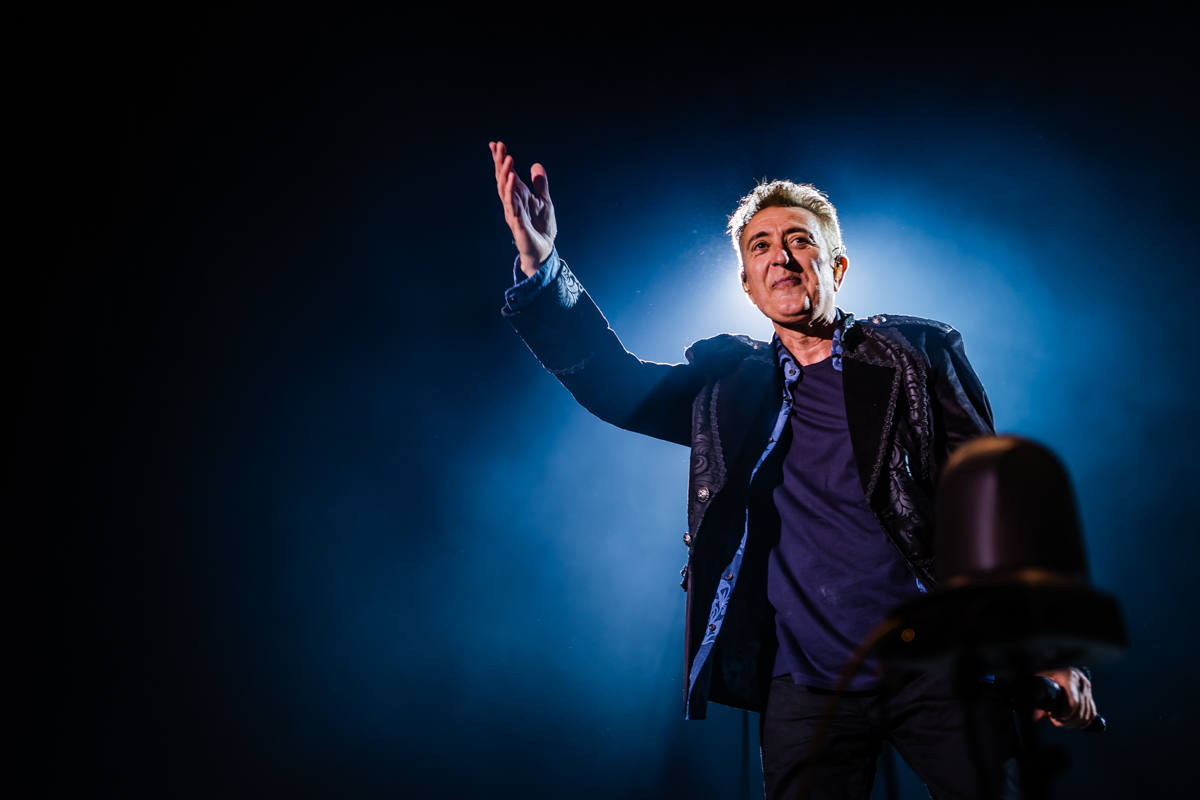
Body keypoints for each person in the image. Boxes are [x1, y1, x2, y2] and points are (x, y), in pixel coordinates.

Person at [487, 140, 1097, 799]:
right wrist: (541, 262)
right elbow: (613, 384)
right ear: (747, 286)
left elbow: (997, 511)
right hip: (805, 685)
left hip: (938, 667)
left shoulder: (916, 357)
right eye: (760, 246)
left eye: (799, 241)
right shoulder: (728, 389)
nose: (780, 256)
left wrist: (1051, 653)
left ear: (835, 266)